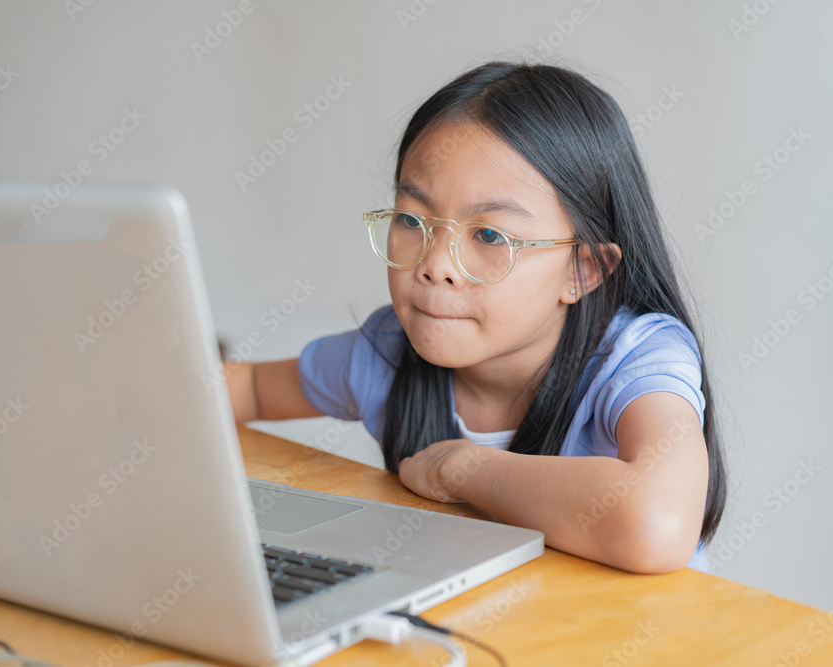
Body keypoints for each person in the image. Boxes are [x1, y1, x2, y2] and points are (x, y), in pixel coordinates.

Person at [226, 61, 726, 574]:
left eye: (489, 236)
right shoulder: (385, 353)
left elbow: (656, 523)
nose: (435, 265)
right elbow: (242, 390)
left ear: (584, 268)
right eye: (412, 220)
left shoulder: (636, 360)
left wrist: (464, 470)